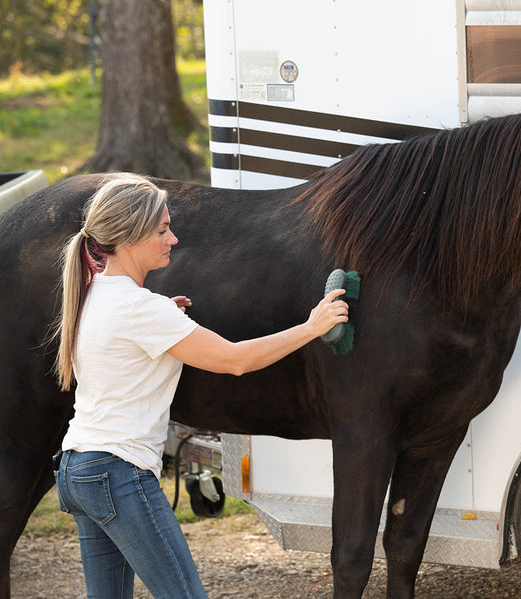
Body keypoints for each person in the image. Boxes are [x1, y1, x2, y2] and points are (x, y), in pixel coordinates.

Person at [52, 173, 348, 598]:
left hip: (80, 469)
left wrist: (164, 317)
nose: (172, 239)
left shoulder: (94, 293)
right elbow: (237, 360)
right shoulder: (140, 309)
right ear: (131, 237)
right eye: (162, 230)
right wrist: (311, 326)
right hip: (118, 472)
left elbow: (122, 340)